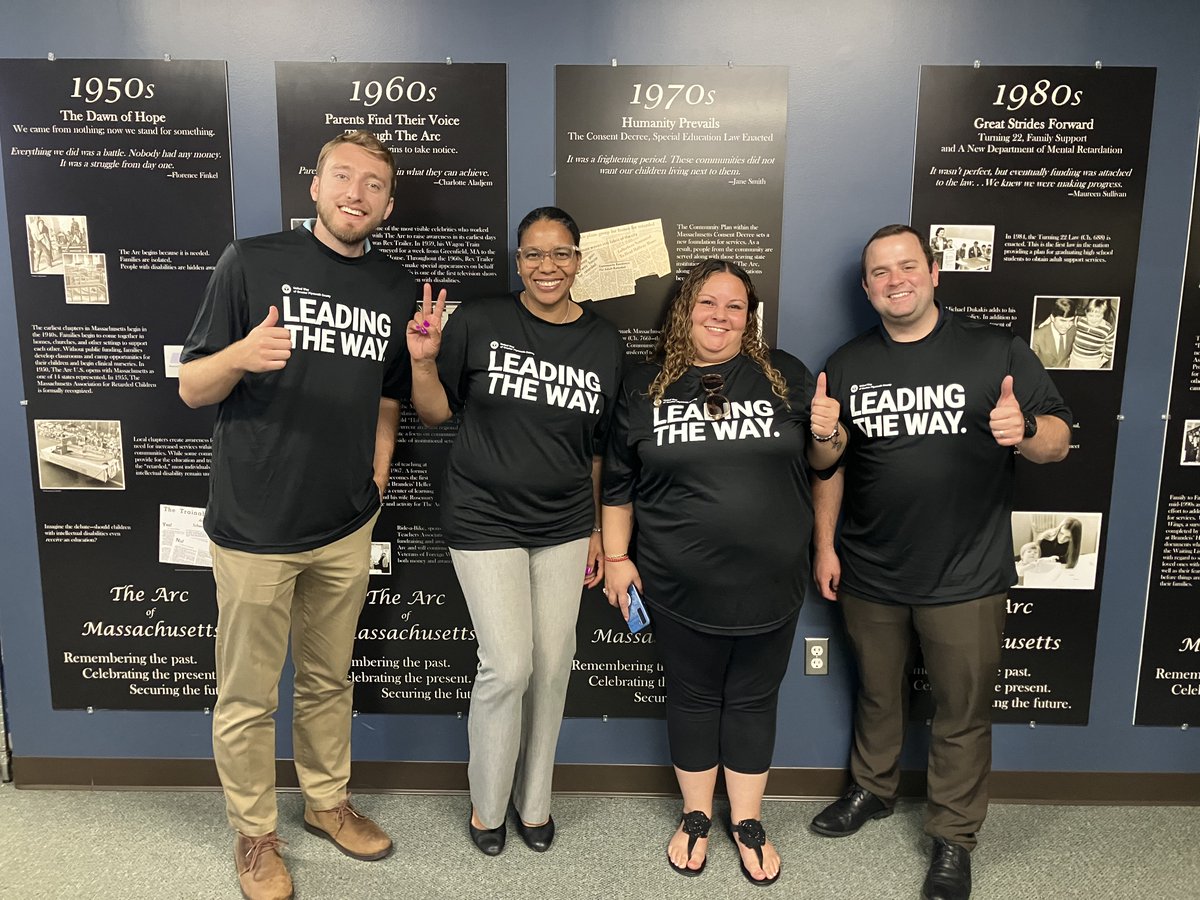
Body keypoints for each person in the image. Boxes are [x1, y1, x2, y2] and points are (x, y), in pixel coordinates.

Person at [180, 130, 412, 900]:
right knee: (247, 696)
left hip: (344, 525)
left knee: (326, 679)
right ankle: (254, 836)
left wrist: (376, 480)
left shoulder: (392, 285)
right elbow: (192, 388)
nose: (357, 193)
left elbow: (389, 394)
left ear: (387, 201)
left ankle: (325, 804)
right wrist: (240, 357)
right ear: (314, 186)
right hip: (254, 528)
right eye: (343, 177)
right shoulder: (250, 262)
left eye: (374, 183)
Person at [809, 225, 1071, 900]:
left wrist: (1029, 432)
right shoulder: (848, 362)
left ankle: (953, 837)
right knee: (876, 692)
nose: (894, 280)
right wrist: (826, 544)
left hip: (966, 573)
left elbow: (1060, 442)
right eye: (879, 272)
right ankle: (873, 790)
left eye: (906, 266)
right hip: (871, 568)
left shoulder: (995, 350)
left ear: (933, 271)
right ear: (866, 288)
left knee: (961, 710)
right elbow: (831, 467)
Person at [601, 259, 846, 886]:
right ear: (686, 309)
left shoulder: (785, 375)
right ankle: (693, 816)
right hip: (680, 584)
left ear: (750, 316)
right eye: (708, 302)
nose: (720, 315)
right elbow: (620, 485)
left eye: (734, 306)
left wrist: (829, 433)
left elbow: (822, 464)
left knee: (754, 700)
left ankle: (747, 820)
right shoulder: (645, 384)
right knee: (692, 696)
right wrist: (619, 558)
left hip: (773, 583)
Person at [407, 206, 624, 857]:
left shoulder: (604, 343)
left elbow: (597, 450)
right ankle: (487, 806)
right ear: (518, 260)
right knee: (508, 664)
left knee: (555, 666)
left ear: (579, 261)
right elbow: (436, 412)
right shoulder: (480, 319)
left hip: (562, 523)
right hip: (484, 518)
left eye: (560, 254)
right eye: (533, 254)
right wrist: (422, 361)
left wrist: (592, 529)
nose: (546, 266)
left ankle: (535, 803)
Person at [1067, 298, 1116, 369]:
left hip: (1092, 361)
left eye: (1098, 316)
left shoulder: (1107, 328)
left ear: (1103, 315)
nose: (1094, 319)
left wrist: (1104, 359)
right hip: (1075, 357)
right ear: (1086, 313)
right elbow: (1069, 319)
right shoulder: (1080, 320)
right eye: (1090, 315)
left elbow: (1111, 345)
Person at [1031, 297, 1076, 369]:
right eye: (1062, 321)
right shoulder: (1036, 336)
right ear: (1052, 318)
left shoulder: (1073, 330)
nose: (1068, 326)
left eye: (1071, 320)